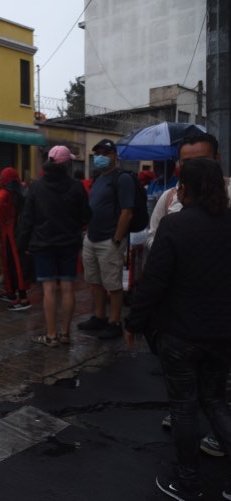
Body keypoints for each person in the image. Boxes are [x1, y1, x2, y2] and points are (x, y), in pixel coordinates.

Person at [124, 158, 231, 501]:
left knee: (184, 407)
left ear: (185, 188)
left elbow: (153, 283)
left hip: (180, 334)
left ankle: (188, 483)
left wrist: (135, 323)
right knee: (216, 401)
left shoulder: (174, 225)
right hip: (223, 333)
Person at [18, 146, 91, 347]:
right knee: (67, 288)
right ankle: (65, 334)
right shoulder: (76, 187)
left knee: (49, 289)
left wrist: (22, 244)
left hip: (43, 243)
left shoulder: (36, 186)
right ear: (67, 164)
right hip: (69, 244)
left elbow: (27, 219)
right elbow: (86, 216)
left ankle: (51, 336)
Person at [77, 138, 133, 339]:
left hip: (109, 241)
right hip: (91, 238)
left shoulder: (122, 179)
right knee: (95, 281)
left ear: (115, 156)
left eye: (105, 153)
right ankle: (100, 317)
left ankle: (114, 321)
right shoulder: (98, 178)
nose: (101, 157)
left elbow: (127, 212)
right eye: (98, 153)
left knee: (113, 284)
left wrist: (116, 239)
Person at [0, 167, 31, 311]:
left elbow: (0, 216)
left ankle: (21, 297)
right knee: (16, 265)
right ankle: (16, 294)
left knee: (13, 265)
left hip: (8, 234)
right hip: (19, 234)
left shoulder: (2, 195)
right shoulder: (23, 192)